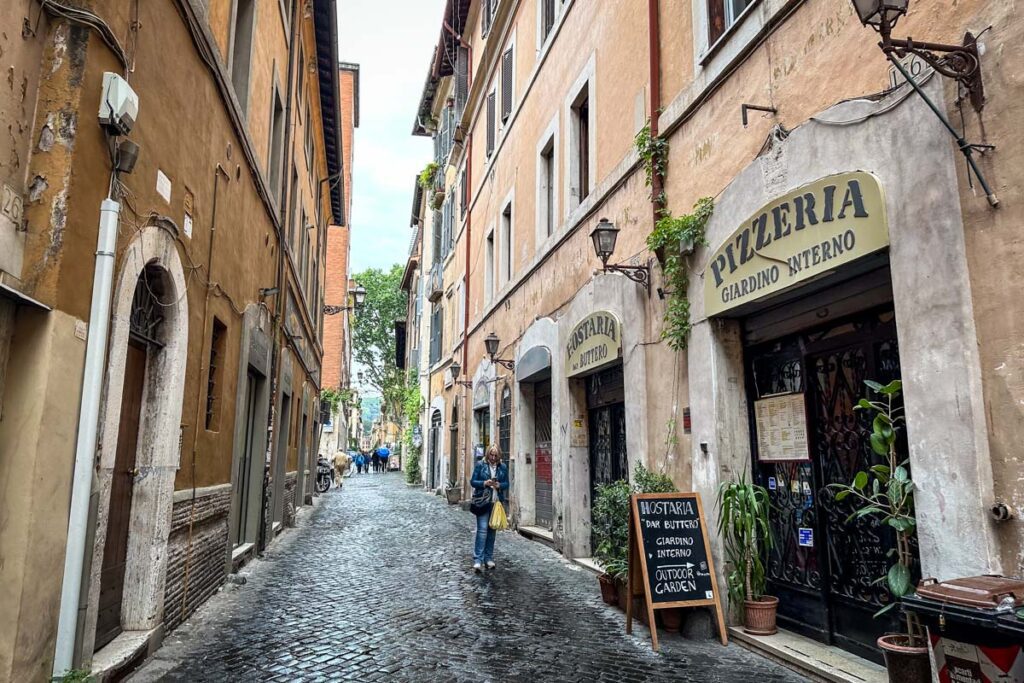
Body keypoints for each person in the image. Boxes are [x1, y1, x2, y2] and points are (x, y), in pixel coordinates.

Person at [469, 444, 509, 573]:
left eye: (495, 455)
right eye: (491, 454)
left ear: (499, 456)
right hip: (483, 502)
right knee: (482, 531)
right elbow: (472, 481)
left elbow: (507, 483)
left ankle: (488, 558)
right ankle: (477, 560)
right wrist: (484, 483)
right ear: (487, 454)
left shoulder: (502, 467)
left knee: (492, 531)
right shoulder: (481, 465)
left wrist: (499, 485)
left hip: (495, 503)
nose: (493, 457)